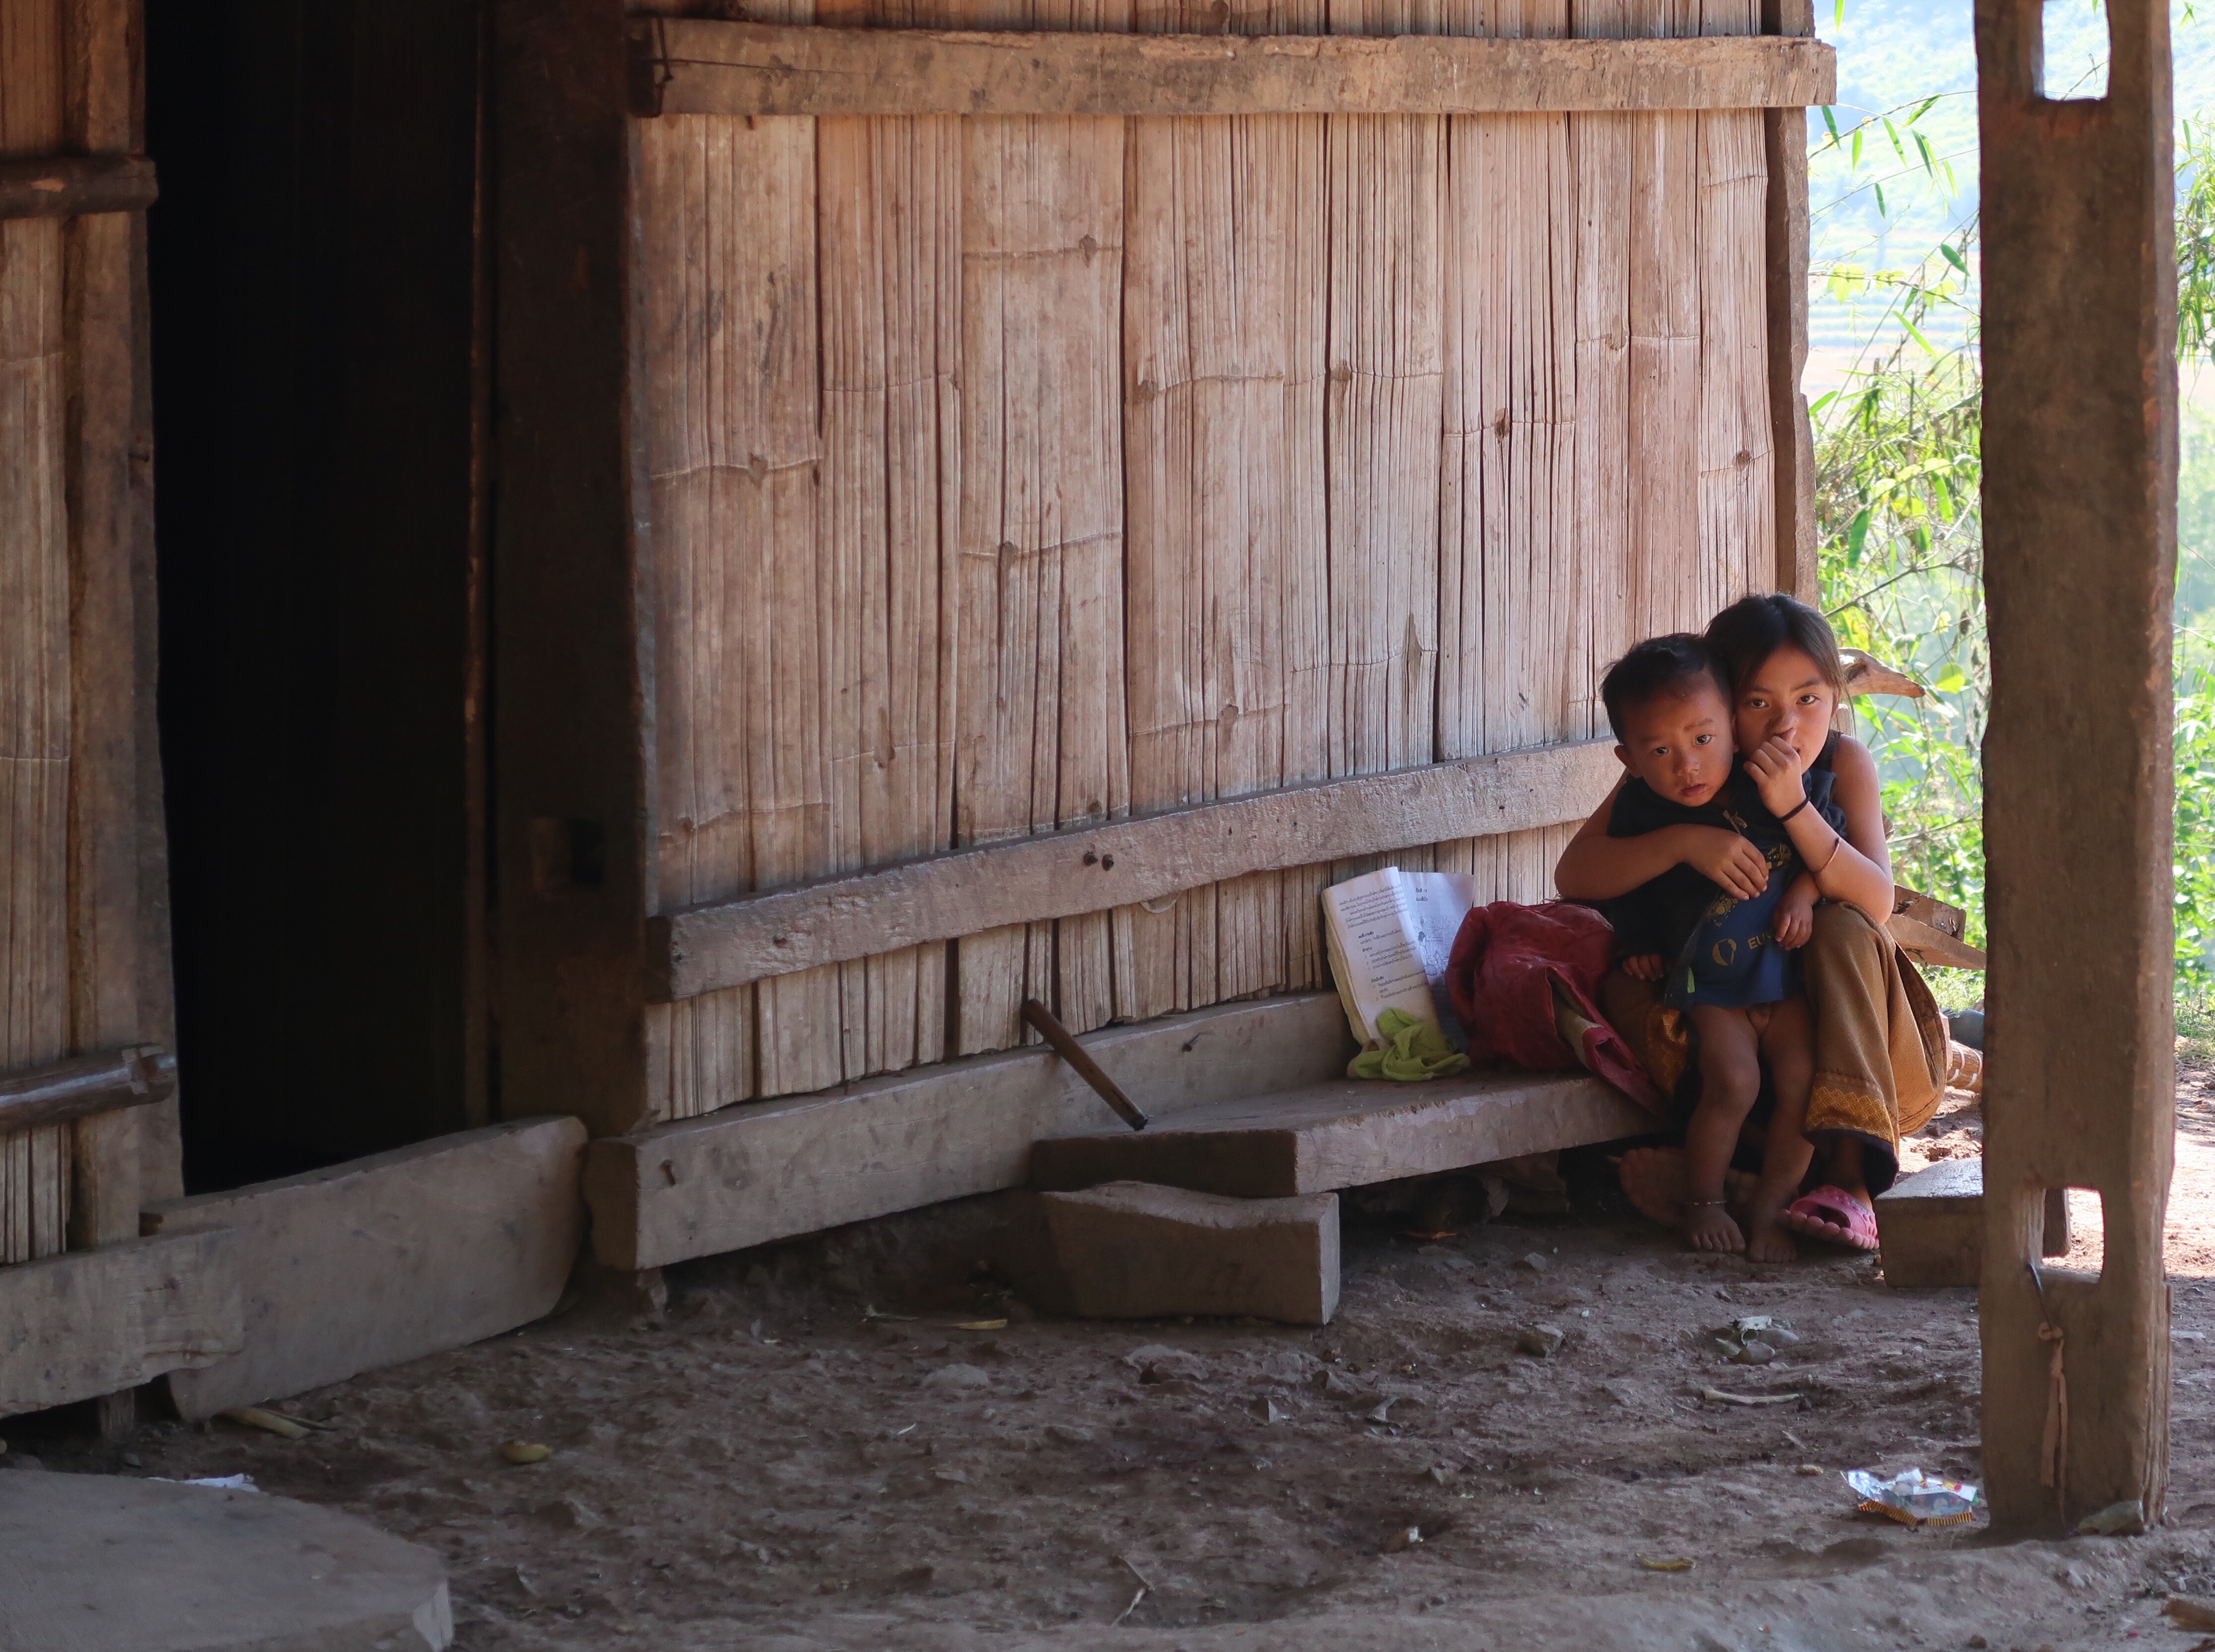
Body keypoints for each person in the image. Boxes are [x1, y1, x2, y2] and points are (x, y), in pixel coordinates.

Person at [1558, 594, 1949, 1252]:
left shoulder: (1842, 766)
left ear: (1835, 699)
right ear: (1722, 702)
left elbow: (1877, 901)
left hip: (1873, 1073)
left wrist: (1794, 807)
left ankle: (1850, 1184)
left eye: (1809, 699)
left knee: (1844, 928)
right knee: (1625, 980)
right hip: (1733, 1026)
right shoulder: (1692, 761)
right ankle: (1746, 1179)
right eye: (1758, 703)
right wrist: (1686, 842)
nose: (1785, 727)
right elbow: (1578, 874)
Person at [1595, 634, 1842, 1261]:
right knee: (1731, 1082)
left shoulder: (1780, 784)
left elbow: (1829, 849)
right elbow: (1619, 886)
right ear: (1629, 759)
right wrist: (1640, 943)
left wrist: (1802, 897)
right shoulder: (1647, 811)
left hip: (1786, 978)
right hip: (1714, 985)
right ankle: (1702, 1200)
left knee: (1802, 1080)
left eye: (1703, 740)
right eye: (1660, 750)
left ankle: (1771, 1202)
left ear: (1731, 726)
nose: (1688, 766)